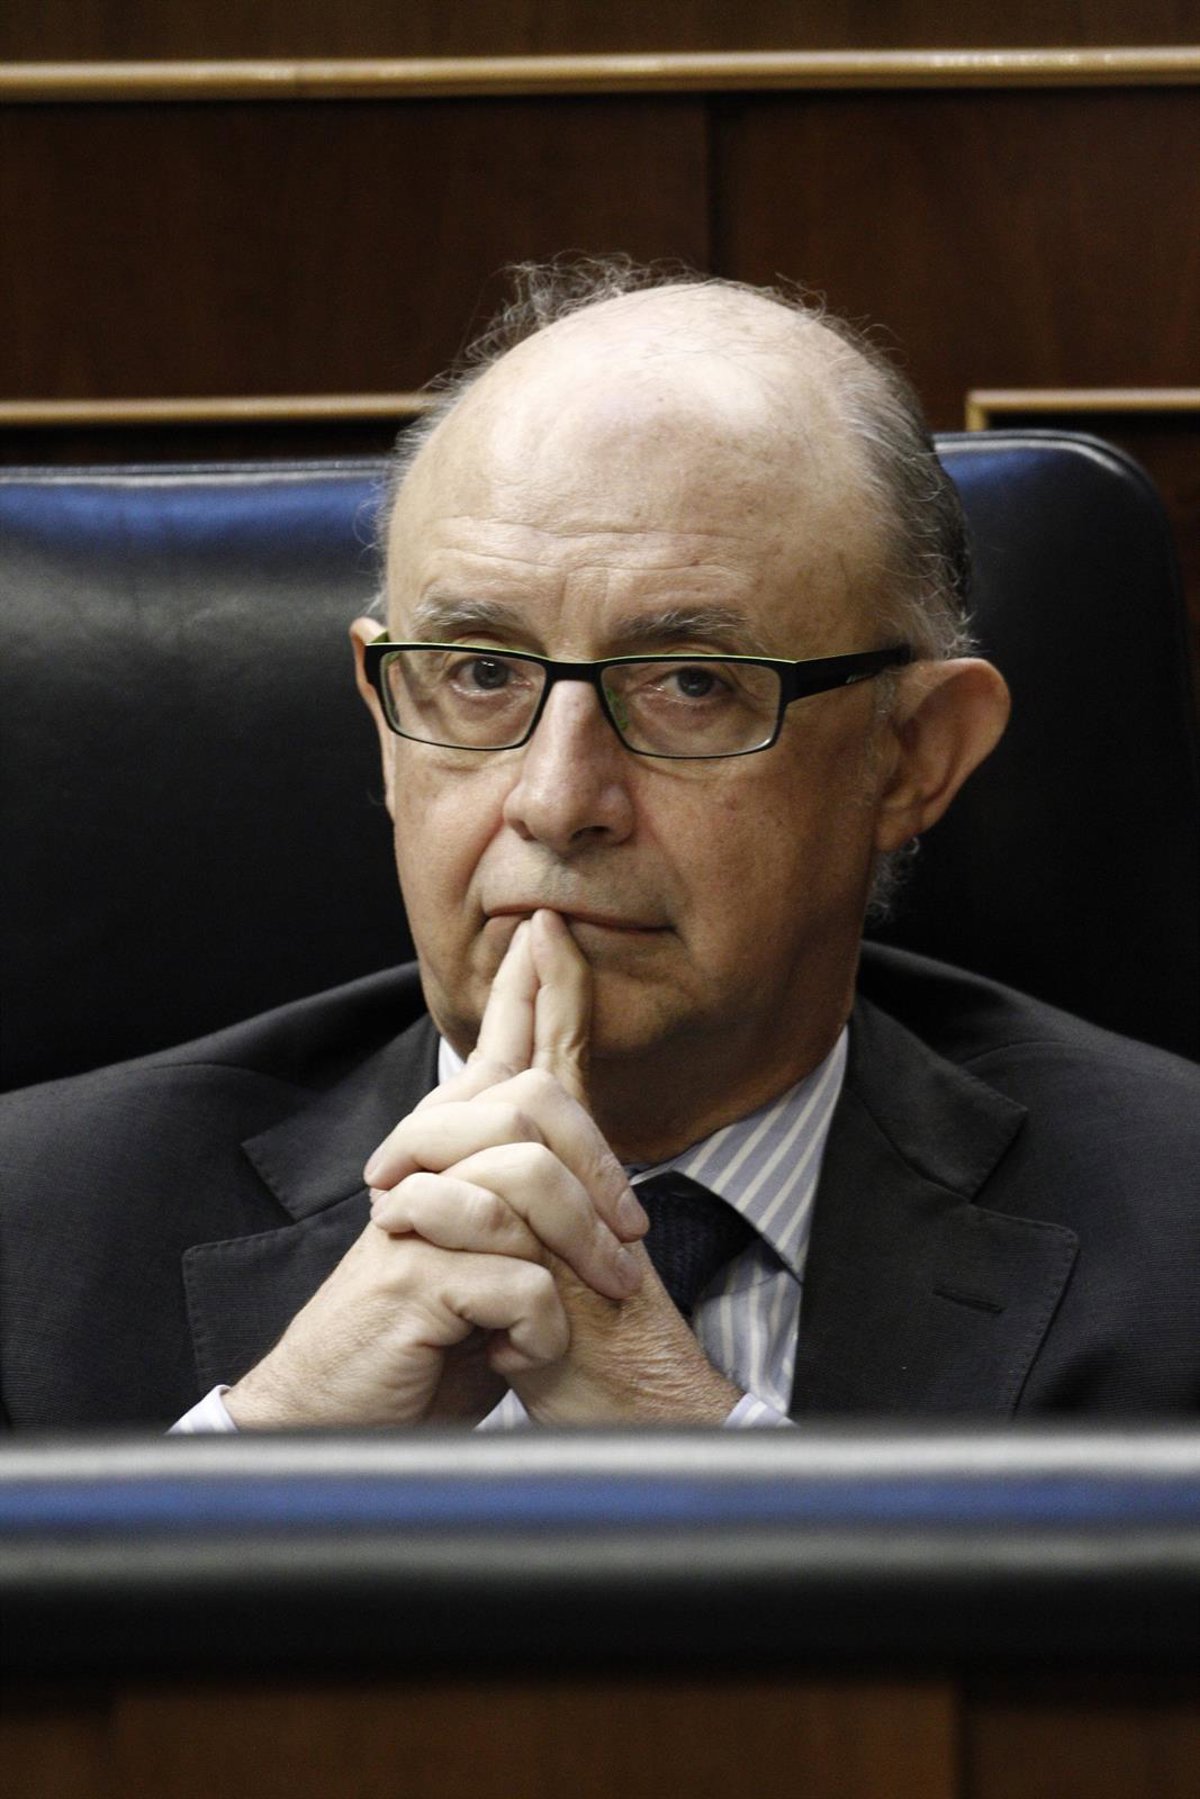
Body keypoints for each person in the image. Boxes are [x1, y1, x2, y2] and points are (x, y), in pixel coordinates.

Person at [2, 265, 1197, 1430]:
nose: (556, 797)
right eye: (481, 673)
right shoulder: (37, 1231)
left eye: (691, 683)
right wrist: (267, 1458)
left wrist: (686, 1442)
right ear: (386, 727)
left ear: (912, 755)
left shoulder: (1172, 1240)